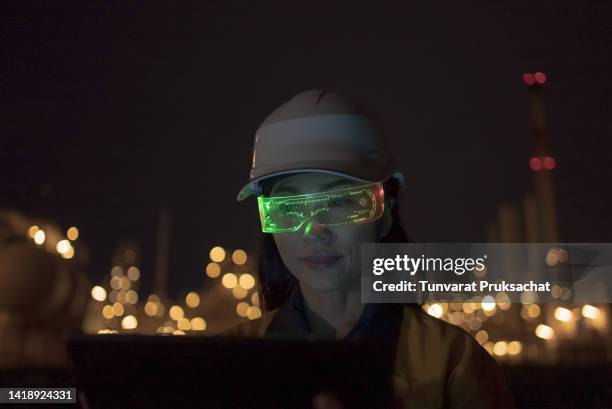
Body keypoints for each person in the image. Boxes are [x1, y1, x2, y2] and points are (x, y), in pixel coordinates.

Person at [224, 89, 516, 409]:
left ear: (386, 210)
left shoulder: (453, 363)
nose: (313, 231)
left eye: (338, 202)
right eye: (289, 207)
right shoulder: (229, 360)